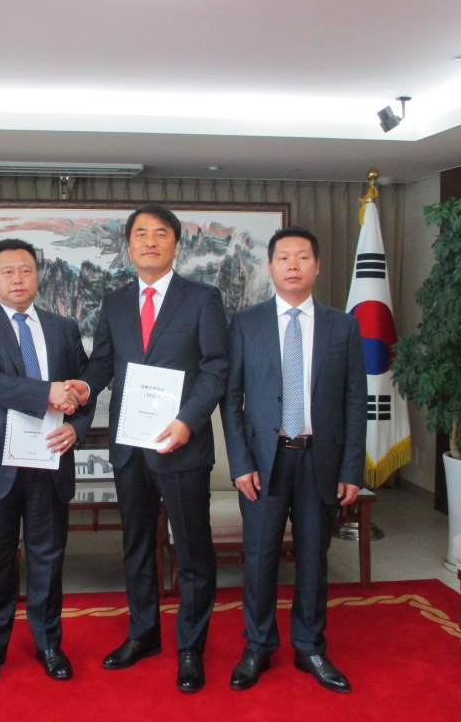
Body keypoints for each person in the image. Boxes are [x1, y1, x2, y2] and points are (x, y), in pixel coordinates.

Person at [65, 205, 228, 693]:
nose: (150, 242)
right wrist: (83, 386)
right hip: (130, 446)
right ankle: (143, 634)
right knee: (136, 545)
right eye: (141, 234)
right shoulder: (115, 302)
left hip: (181, 444)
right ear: (129, 245)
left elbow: (216, 368)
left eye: (160, 234)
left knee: (192, 550)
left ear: (177, 243)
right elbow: (103, 362)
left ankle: (191, 647)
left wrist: (187, 421)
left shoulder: (203, 298)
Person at [220, 226, 366, 694]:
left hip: (320, 460)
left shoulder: (342, 326)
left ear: (317, 266)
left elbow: (354, 401)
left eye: (303, 257)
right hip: (265, 462)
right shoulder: (246, 323)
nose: (293, 266)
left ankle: (310, 646)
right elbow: (231, 399)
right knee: (260, 558)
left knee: (313, 559)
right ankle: (258, 645)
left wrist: (352, 469)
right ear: (270, 267)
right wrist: (240, 462)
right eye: (284, 257)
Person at [0, 239, 96, 686]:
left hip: (51, 458)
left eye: (26, 270)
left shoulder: (63, 328)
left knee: (48, 559)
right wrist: (45, 392)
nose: (18, 278)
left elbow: (85, 386)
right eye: (8, 271)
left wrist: (78, 427)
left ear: (38, 276)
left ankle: (49, 644)